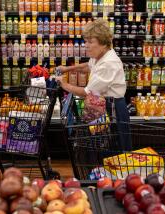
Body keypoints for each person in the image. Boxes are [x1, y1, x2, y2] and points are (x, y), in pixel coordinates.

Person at [55, 18, 132, 151]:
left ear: (103, 43)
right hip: (101, 106)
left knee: (115, 150)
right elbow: (89, 66)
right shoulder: (100, 56)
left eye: (90, 42)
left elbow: (87, 92)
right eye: (86, 41)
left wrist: (64, 84)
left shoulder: (109, 63)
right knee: (100, 147)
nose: (86, 45)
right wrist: (67, 69)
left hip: (112, 109)